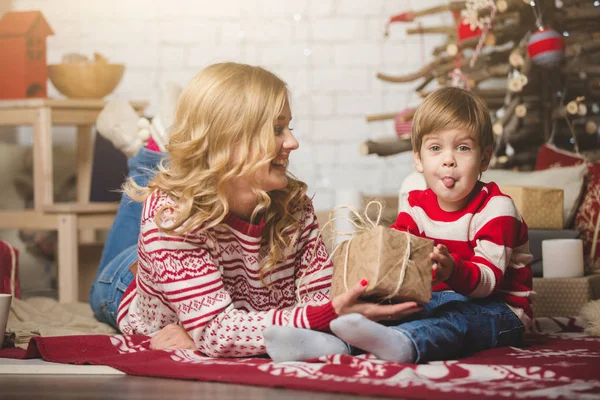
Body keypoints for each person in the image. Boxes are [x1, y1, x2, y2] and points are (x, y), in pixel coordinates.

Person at [89, 62, 421, 358]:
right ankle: (146, 149)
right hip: (122, 283)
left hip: (185, 258)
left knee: (162, 194)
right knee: (151, 192)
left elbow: (320, 299)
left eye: (289, 127)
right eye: (277, 129)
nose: (292, 142)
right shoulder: (171, 218)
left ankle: (156, 143)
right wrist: (319, 316)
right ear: (229, 140)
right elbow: (220, 332)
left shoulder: (293, 204)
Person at [264, 86, 533, 364]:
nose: (448, 159)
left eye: (463, 148)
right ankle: (329, 344)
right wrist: (373, 263)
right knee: (388, 308)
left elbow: (488, 283)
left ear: (485, 158)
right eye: (435, 148)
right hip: (434, 300)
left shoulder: (497, 208)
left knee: (456, 320)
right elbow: (398, 247)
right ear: (419, 159)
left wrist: (452, 270)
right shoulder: (416, 204)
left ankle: (407, 342)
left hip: (499, 310)